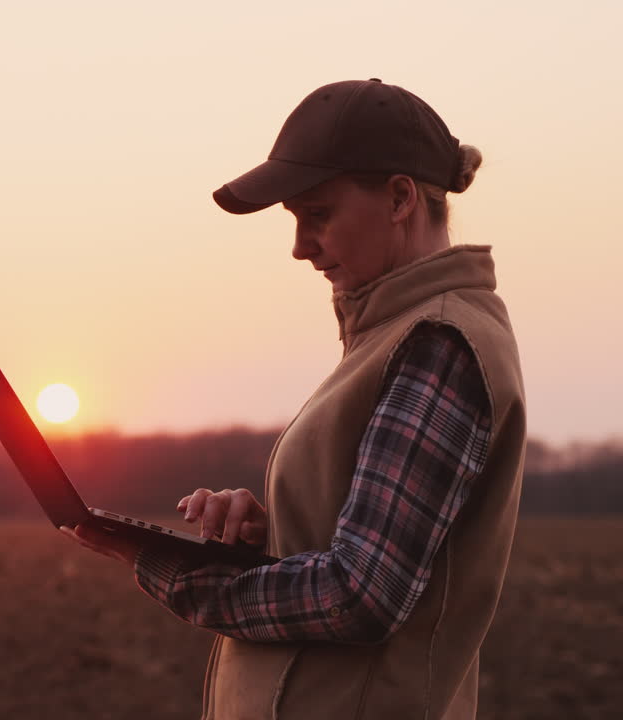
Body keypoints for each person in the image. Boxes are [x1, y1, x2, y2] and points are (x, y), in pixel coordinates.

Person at [58, 78, 526, 720]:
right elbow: (365, 553)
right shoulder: (394, 335)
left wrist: (178, 572)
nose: (300, 247)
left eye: (318, 215)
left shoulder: (438, 344)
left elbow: (361, 594)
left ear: (399, 198)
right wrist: (266, 534)